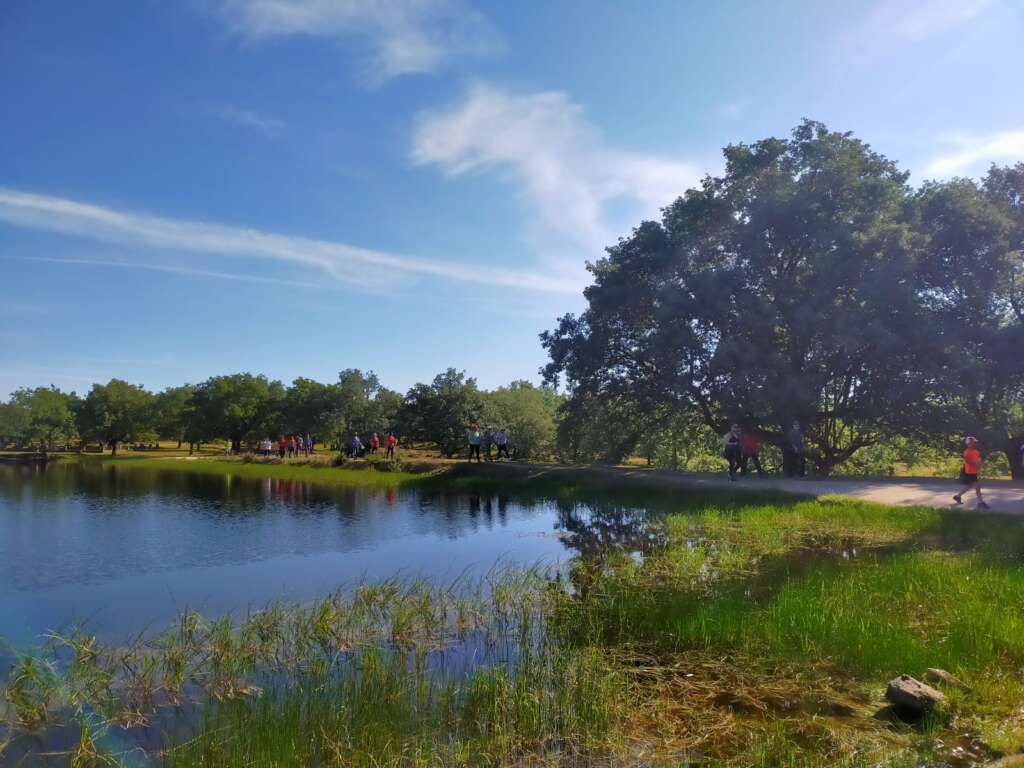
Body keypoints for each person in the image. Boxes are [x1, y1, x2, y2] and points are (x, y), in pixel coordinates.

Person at [953, 436, 990, 509]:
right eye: (973, 443)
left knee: (969, 486)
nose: (974, 444)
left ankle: (958, 496)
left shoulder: (976, 451)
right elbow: (967, 460)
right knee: (977, 487)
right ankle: (980, 503)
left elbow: (978, 460)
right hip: (969, 472)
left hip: (974, 471)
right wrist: (976, 464)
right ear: (968, 444)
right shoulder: (967, 451)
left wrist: (980, 465)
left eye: (975, 443)